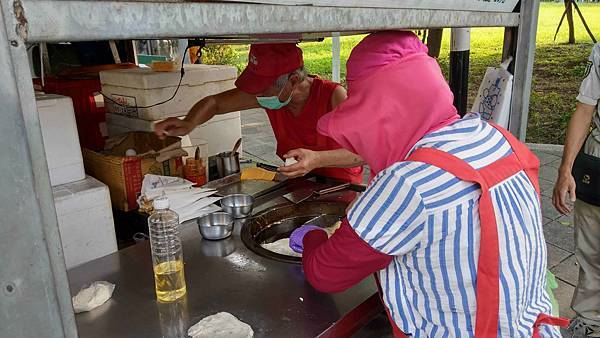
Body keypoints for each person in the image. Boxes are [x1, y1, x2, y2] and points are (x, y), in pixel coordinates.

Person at [289, 31, 567, 337]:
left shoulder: (406, 182)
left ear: (382, 115)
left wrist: (313, 237)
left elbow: (325, 273)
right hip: (531, 326)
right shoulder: (499, 139)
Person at [154, 43, 364, 184]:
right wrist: (189, 123)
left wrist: (316, 160)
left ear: (292, 81)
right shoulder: (270, 96)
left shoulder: (334, 96)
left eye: (263, 89)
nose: (256, 94)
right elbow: (215, 103)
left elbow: (362, 153)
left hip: (342, 188)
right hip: (297, 184)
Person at [553, 42, 600, 338]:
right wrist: (565, 169)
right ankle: (589, 320)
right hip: (598, 164)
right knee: (592, 250)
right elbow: (585, 108)